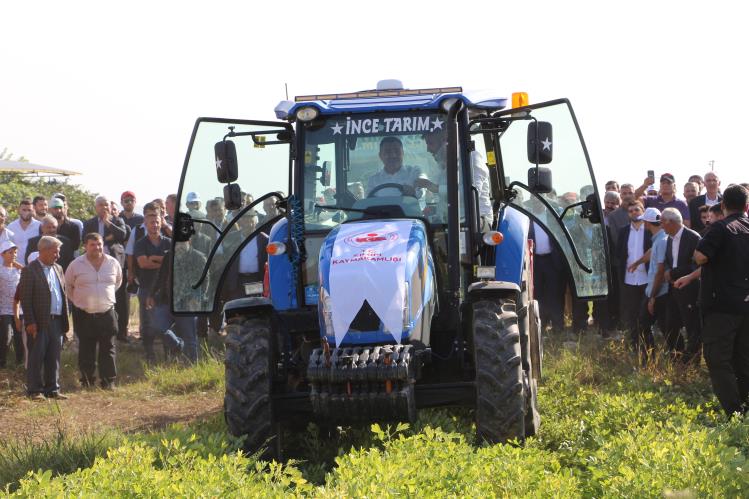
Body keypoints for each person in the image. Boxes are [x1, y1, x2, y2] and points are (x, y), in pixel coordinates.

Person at [693, 185, 749, 417]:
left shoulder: (720, 228)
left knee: (717, 358)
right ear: (746, 206)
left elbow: (700, 256)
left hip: (722, 306)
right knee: (743, 358)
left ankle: (733, 410)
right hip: (745, 305)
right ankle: (745, 406)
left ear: (723, 205)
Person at [65, 233, 122, 388]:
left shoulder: (113, 263)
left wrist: (104, 298)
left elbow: (117, 282)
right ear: (85, 246)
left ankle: (108, 381)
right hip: (84, 314)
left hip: (107, 312)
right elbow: (68, 286)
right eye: (92, 244)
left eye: (99, 244)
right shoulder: (75, 265)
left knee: (108, 347)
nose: (97, 247)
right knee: (86, 348)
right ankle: (87, 381)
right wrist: (80, 301)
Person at [19, 236, 70, 400]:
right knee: (36, 356)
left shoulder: (59, 269)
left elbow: (62, 295)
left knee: (54, 356)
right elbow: (25, 299)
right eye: (55, 251)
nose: (58, 255)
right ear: (44, 250)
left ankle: (52, 389)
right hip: (39, 322)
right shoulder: (30, 270)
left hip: (56, 321)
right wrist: (30, 322)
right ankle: (34, 390)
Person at [147, 242, 205, 363]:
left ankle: (193, 367)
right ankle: (178, 345)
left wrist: (197, 298)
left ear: (189, 241)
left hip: (187, 305)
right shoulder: (169, 255)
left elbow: (205, 281)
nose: (179, 244)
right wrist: (151, 294)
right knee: (157, 326)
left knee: (190, 338)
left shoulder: (198, 257)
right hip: (166, 301)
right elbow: (160, 276)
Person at [83, 196, 129, 341]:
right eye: (101, 205)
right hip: (95, 266)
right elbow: (86, 239)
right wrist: (106, 238)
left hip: (115, 264)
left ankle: (122, 332)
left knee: (120, 298)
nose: (104, 208)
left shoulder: (117, 220)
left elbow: (122, 235)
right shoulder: (89, 223)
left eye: (106, 205)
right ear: (96, 207)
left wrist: (108, 223)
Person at [626, 208, 668, 363]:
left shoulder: (662, 240)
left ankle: (649, 359)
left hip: (657, 292)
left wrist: (652, 297)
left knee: (648, 325)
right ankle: (649, 358)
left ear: (648, 223)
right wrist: (637, 263)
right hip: (653, 290)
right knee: (647, 324)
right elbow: (651, 252)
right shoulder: (659, 238)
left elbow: (660, 271)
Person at [662, 207, 702, 362]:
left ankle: (694, 362)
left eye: (662, 222)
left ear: (670, 222)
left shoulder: (693, 237)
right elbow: (667, 260)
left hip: (689, 289)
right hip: (673, 289)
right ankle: (677, 358)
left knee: (692, 327)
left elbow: (698, 265)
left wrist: (675, 272)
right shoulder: (669, 238)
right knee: (670, 325)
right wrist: (668, 271)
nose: (661, 226)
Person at [133, 214, 172, 362]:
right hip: (146, 288)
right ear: (146, 224)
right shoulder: (140, 243)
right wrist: (164, 261)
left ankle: (168, 354)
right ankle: (149, 354)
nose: (154, 225)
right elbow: (143, 264)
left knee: (165, 323)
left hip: (164, 289)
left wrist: (154, 258)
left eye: (157, 222)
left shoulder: (168, 242)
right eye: (151, 223)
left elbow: (173, 262)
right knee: (148, 323)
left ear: (161, 223)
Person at [616, 201, 652, 339]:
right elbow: (619, 253)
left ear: (643, 211)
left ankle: (647, 340)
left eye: (636, 210)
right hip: (629, 278)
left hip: (647, 278)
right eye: (630, 211)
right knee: (631, 312)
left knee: (646, 313)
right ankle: (634, 341)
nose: (633, 213)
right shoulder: (623, 231)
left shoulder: (649, 230)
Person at [225, 210, 268, 299]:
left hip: (255, 279)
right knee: (238, 307)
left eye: (251, 222)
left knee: (254, 304)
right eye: (245, 221)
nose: (248, 225)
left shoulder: (263, 239)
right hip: (237, 281)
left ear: (256, 223)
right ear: (240, 222)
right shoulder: (232, 238)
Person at [0, 241, 24, 368]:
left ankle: (20, 363)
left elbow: (29, 274)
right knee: (6, 337)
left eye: (15, 252)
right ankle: (2, 362)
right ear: (2, 254)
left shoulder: (18, 270)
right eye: (10, 252)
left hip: (19, 310)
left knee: (20, 337)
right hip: (4, 309)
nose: (14, 255)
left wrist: (18, 266)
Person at [9, 198, 42, 264]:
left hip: (34, 267)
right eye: (24, 210)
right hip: (15, 268)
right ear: (19, 210)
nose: (26, 212)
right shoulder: (11, 227)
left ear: (33, 211)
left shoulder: (39, 226)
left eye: (29, 210)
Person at [607, 183, 636, 248]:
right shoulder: (613, 215)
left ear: (634, 194)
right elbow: (616, 239)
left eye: (630, 193)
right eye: (624, 193)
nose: (627, 196)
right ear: (620, 195)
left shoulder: (642, 212)